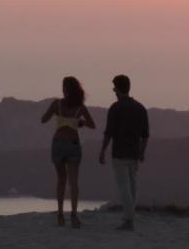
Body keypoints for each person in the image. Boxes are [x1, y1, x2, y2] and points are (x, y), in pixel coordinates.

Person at [40, 76, 96, 228]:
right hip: (72, 144)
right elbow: (92, 125)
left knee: (61, 180)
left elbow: (43, 119)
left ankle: (60, 215)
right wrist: (80, 122)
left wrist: (54, 113)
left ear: (65, 89)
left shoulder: (56, 104)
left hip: (58, 144)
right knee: (73, 182)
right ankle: (74, 216)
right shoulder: (80, 108)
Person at [99, 74, 150, 231]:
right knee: (133, 186)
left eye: (114, 88)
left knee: (124, 188)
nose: (114, 91)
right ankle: (129, 218)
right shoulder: (140, 108)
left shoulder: (115, 108)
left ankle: (129, 220)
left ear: (117, 89)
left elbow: (109, 133)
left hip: (119, 154)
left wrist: (102, 151)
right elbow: (145, 135)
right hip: (133, 153)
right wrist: (141, 152)